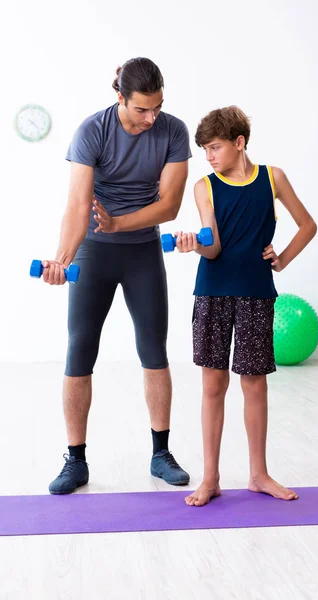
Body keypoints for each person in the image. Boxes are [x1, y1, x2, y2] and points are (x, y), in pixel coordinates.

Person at [42, 57, 191, 494]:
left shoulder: (173, 131)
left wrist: (120, 224)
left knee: (153, 349)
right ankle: (76, 460)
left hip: (142, 250)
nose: (151, 118)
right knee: (79, 351)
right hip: (94, 252)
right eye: (142, 109)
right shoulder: (93, 131)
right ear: (120, 97)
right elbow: (77, 205)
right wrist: (62, 261)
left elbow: (169, 206)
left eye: (158, 107)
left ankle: (161, 452)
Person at [172, 106, 317, 506]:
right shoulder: (205, 186)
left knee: (254, 384)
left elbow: (308, 225)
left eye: (215, 147)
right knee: (213, 385)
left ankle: (258, 474)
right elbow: (214, 246)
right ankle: (211, 478)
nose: (209, 156)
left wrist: (282, 259)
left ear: (240, 143)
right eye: (204, 149)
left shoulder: (273, 178)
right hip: (212, 293)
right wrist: (193, 243)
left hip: (256, 293)